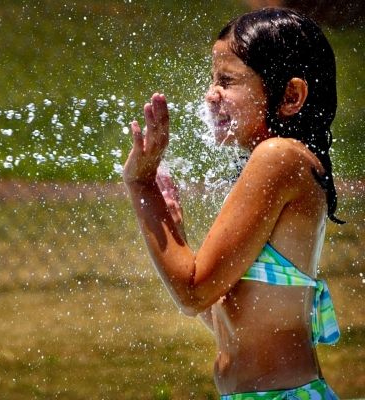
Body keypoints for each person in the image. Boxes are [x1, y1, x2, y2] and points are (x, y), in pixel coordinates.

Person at [123, 8, 342, 399]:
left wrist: (142, 184)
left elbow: (192, 293)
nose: (211, 94)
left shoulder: (279, 157)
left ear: (290, 96)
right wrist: (175, 232)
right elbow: (223, 317)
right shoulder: (279, 163)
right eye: (212, 79)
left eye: (227, 81)